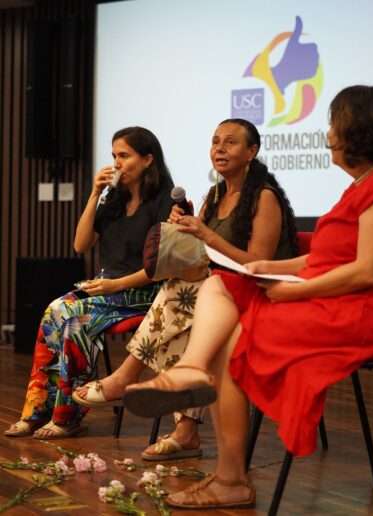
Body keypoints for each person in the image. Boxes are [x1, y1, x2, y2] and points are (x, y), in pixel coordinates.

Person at [122, 85, 373, 509]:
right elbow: (324, 257)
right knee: (225, 290)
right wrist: (270, 267)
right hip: (337, 296)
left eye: (334, 124)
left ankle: (230, 474)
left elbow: (367, 271)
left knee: (236, 338)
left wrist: (295, 290)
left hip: (367, 308)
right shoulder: (364, 184)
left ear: (359, 130)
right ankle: (201, 394)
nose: (328, 134)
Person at [73, 118, 298, 460]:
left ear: (252, 151)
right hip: (217, 295)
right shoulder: (215, 195)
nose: (219, 149)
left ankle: (128, 378)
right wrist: (180, 234)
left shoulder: (264, 197)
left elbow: (258, 264)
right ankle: (185, 430)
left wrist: (206, 235)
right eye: (215, 141)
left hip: (261, 295)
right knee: (186, 302)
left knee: (185, 295)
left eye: (230, 142)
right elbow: (199, 255)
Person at [4, 126, 174, 439]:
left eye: (125, 155)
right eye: (114, 155)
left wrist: (116, 285)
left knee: (73, 319)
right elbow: (80, 245)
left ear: (148, 159)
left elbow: (162, 267)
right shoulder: (114, 199)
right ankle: (37, 410)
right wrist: (95, 195)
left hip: (142, 292)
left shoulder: (164, 202)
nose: (117, 162)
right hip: (106, 287)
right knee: (53, 310)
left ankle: (68, 416)